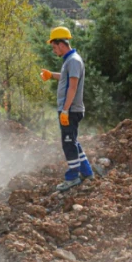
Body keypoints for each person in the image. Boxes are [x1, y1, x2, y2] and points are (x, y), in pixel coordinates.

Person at [41, 27, 95, 192]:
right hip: (69, 109)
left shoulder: (73, 61)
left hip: (70, 110)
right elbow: (66, 78)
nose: (53, 50)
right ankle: (87, 172)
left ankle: (72, 177)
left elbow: (72, 87)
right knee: (72, 140)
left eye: (54, 46)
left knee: (68, 143)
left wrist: (65, 110)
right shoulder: (70, 60)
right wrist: (52, 75)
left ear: (61, 44)